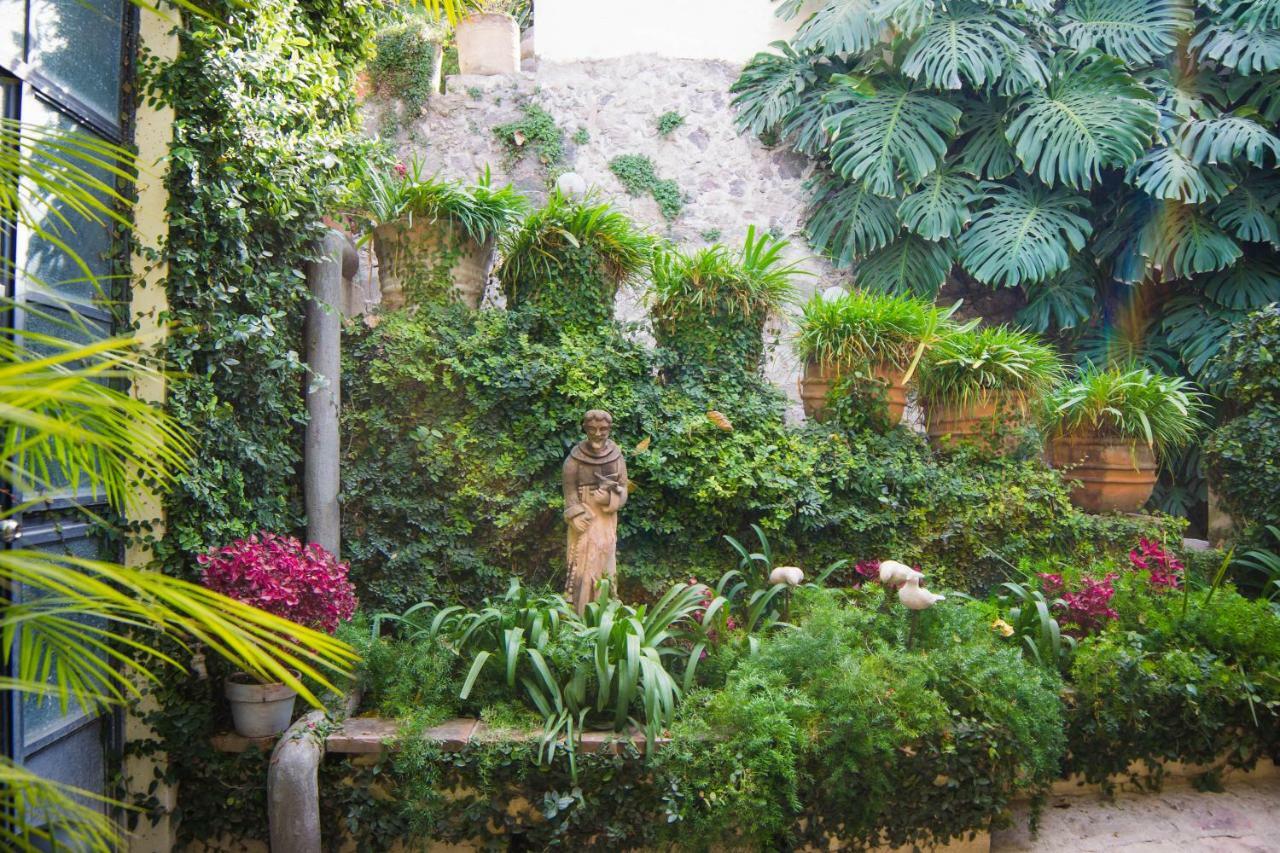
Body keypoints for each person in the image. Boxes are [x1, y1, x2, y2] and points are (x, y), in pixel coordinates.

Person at [562, 409, 628, 613]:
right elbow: (569, 491)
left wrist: (610, 499)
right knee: (581, 561)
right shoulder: (575, 458)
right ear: (585, 429)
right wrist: (575, 515)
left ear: (609, 430)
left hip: (605, 519)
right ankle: (579, 613)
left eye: (603, 430)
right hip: (585, 517)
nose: (598, 434)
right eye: (592, 429)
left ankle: (604, 609)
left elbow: (623, 488)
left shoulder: (616, 456)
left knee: (604, 558)